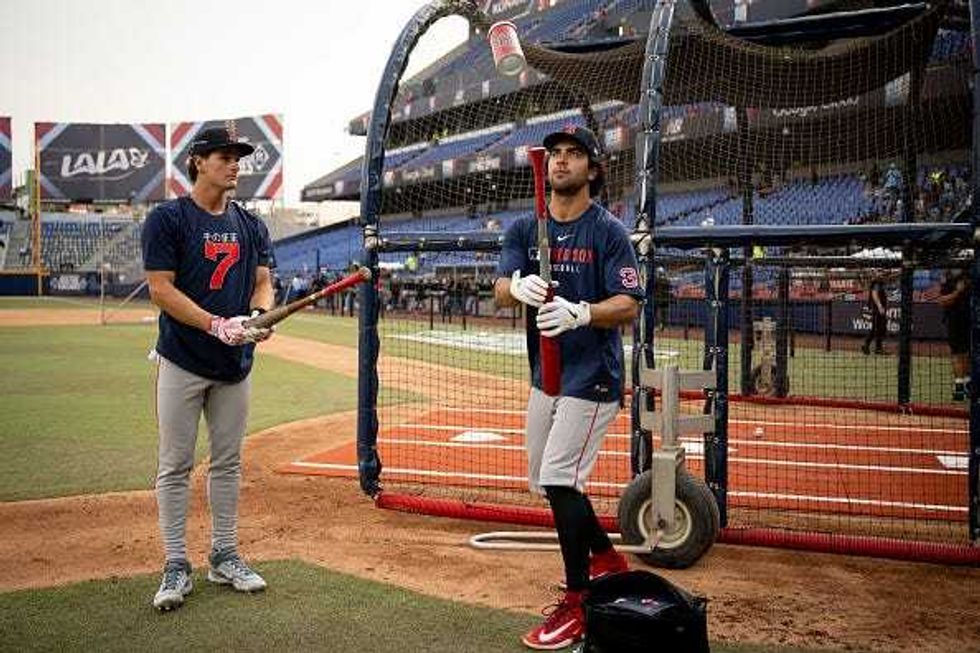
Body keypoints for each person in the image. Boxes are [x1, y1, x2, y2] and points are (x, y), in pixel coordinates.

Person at [494, 125, 642, 650]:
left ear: (592, 170)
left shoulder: (607, 232)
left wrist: (583, 312)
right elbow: (498, 291)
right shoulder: (523, 228)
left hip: (592, 377)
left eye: (573, 154)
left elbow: (628, 304)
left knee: (559, 477)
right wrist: (515, 287)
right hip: (546, 376)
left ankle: (579, 601)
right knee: (546, 480)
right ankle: (606, 559)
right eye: (554, 154)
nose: (560, 162)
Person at [141, 126, 275, 612]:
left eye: (238, 157)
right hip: (181, 358)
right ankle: (176, 564)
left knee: (228, 463)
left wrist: (259, 317)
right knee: (175, 465)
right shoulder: (168, 218)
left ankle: (224, 554)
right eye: (224, 156)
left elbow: (263, 282)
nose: (235, 164)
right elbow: (160, 288)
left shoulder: (251, 224)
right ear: (198, 161)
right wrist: (216, 324)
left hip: (234, 364)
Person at [937, 268, 971, 401]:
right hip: (954, 321)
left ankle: (968, 385)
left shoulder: (970, 275)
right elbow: (942, 301)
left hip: (971, 321)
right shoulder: (948, 279)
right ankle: (959, 388)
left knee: (969, 354)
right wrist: (957, 291)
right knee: (958, 354)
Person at [862, 271, 888, 355]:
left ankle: (876, 348)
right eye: (879, 272)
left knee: (879, 328)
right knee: (877, 328)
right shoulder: (876, 283)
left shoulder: (880, 282)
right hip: (877, 309)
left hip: (879, 308)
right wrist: (880, 306)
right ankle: (869, 346)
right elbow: (875, 295)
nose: (881, 274)